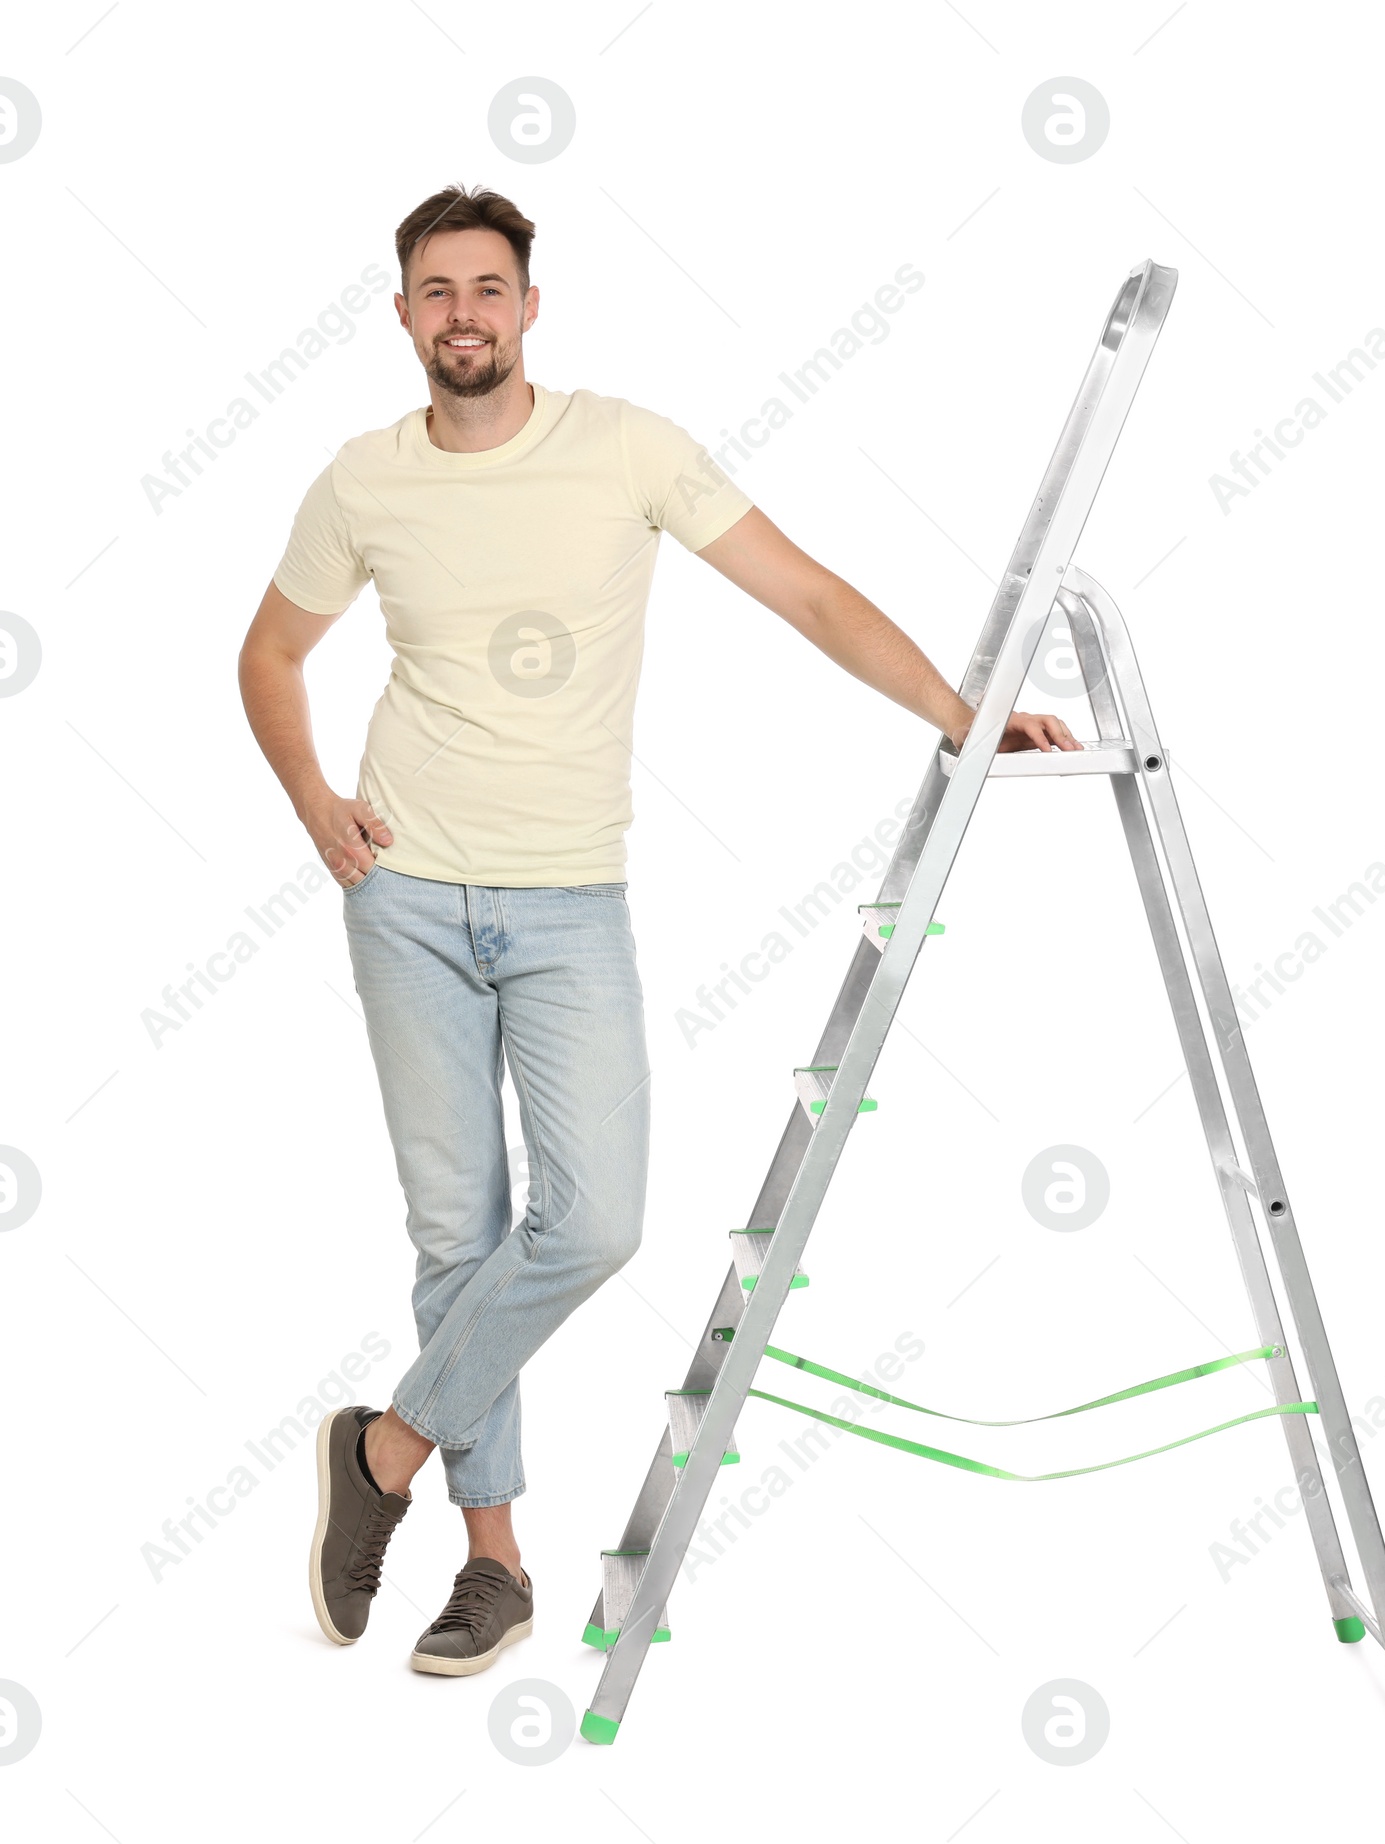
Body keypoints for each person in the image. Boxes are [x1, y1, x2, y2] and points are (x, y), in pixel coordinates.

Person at [237, 182, 1078, 1677]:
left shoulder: (625, 447)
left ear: (530, 307)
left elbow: (805, 594)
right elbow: (272, 650)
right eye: (437, 292)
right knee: (459, 1239)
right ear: (403, 315)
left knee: (596, 1222)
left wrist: (961, 719)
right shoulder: (364, 481)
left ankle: (382, 1453)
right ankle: (493, 1571)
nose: (465, 316)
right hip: (406, 897)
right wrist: (313, 800)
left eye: (488, 289)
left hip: (568, 901)